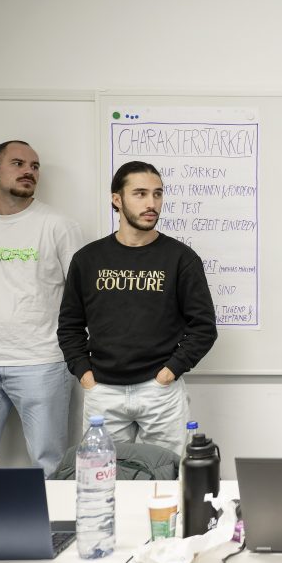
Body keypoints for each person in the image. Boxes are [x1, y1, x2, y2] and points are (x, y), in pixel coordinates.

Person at [57, 161, 217, 455]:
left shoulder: (181, 259)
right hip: (102, 391)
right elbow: (70, 326)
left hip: (160, 392)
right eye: (140, 194)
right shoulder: (87, 259)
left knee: (169, 474)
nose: (151, 203)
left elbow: (204, 327)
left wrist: (168, 373)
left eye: (157, 194)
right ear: (117, 199)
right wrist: (85, 375)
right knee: (103, 474)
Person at [0, 140, 83, 475]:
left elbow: (82, 295)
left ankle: (51, 514)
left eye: (34, 166)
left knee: (49, 464)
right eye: (18, 164)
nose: (28, 172)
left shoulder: (59, 225)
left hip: (42, 360)